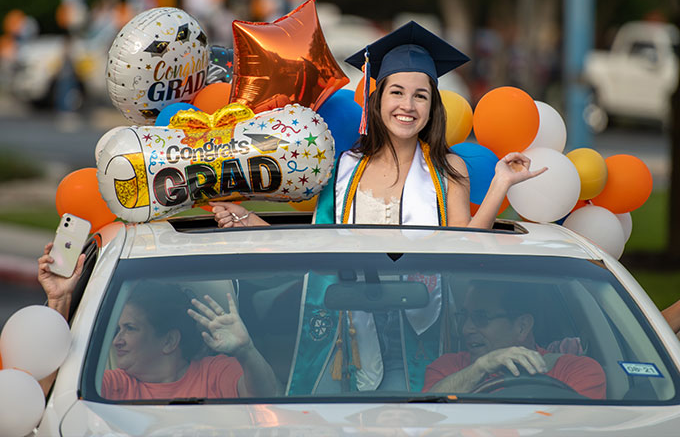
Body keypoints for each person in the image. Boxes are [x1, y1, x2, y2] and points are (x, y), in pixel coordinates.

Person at [211, 21, 546, 394]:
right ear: (378, 98)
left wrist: (500, 183)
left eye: (420, 96)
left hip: (421, 338)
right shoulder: (342, 169)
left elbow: (464, 245)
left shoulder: (449, 171)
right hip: (345, 338)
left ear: (433, 105)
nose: (407, 105)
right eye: (397, 92)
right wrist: (248, 220)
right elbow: (315, 249)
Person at [37, 243, 281, 400]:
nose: (117, 341)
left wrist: (246, 351)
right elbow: (48, 395)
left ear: (170, 340)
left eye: (130, 328)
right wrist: (60, 300)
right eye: (118, 329)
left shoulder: (216, 371)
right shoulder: (112, 385)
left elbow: (268, 397)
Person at [422, 281, 606, 399]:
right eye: (464, 317)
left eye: (481, 317)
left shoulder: (576, 371)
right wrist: (481, 367)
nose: (466, 329)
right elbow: (425, 414)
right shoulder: (447, 367)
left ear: (522, 326)